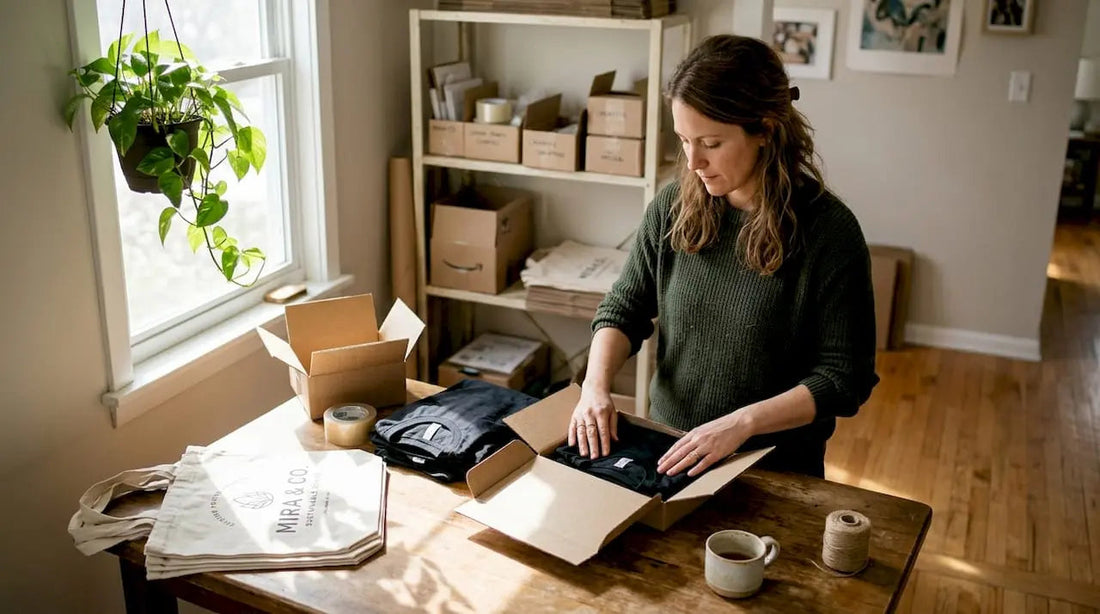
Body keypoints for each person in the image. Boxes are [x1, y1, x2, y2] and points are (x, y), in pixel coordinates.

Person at [567, 34, 879, 479]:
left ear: (766, 130)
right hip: (670, 455)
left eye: (711, 143)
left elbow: (844, 377)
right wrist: (594, 387)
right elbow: (624, 309)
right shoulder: (671, 207)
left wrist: (741, 424)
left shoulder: (830, 234)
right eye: (683, 140)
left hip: (773, 470)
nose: (693, 161)